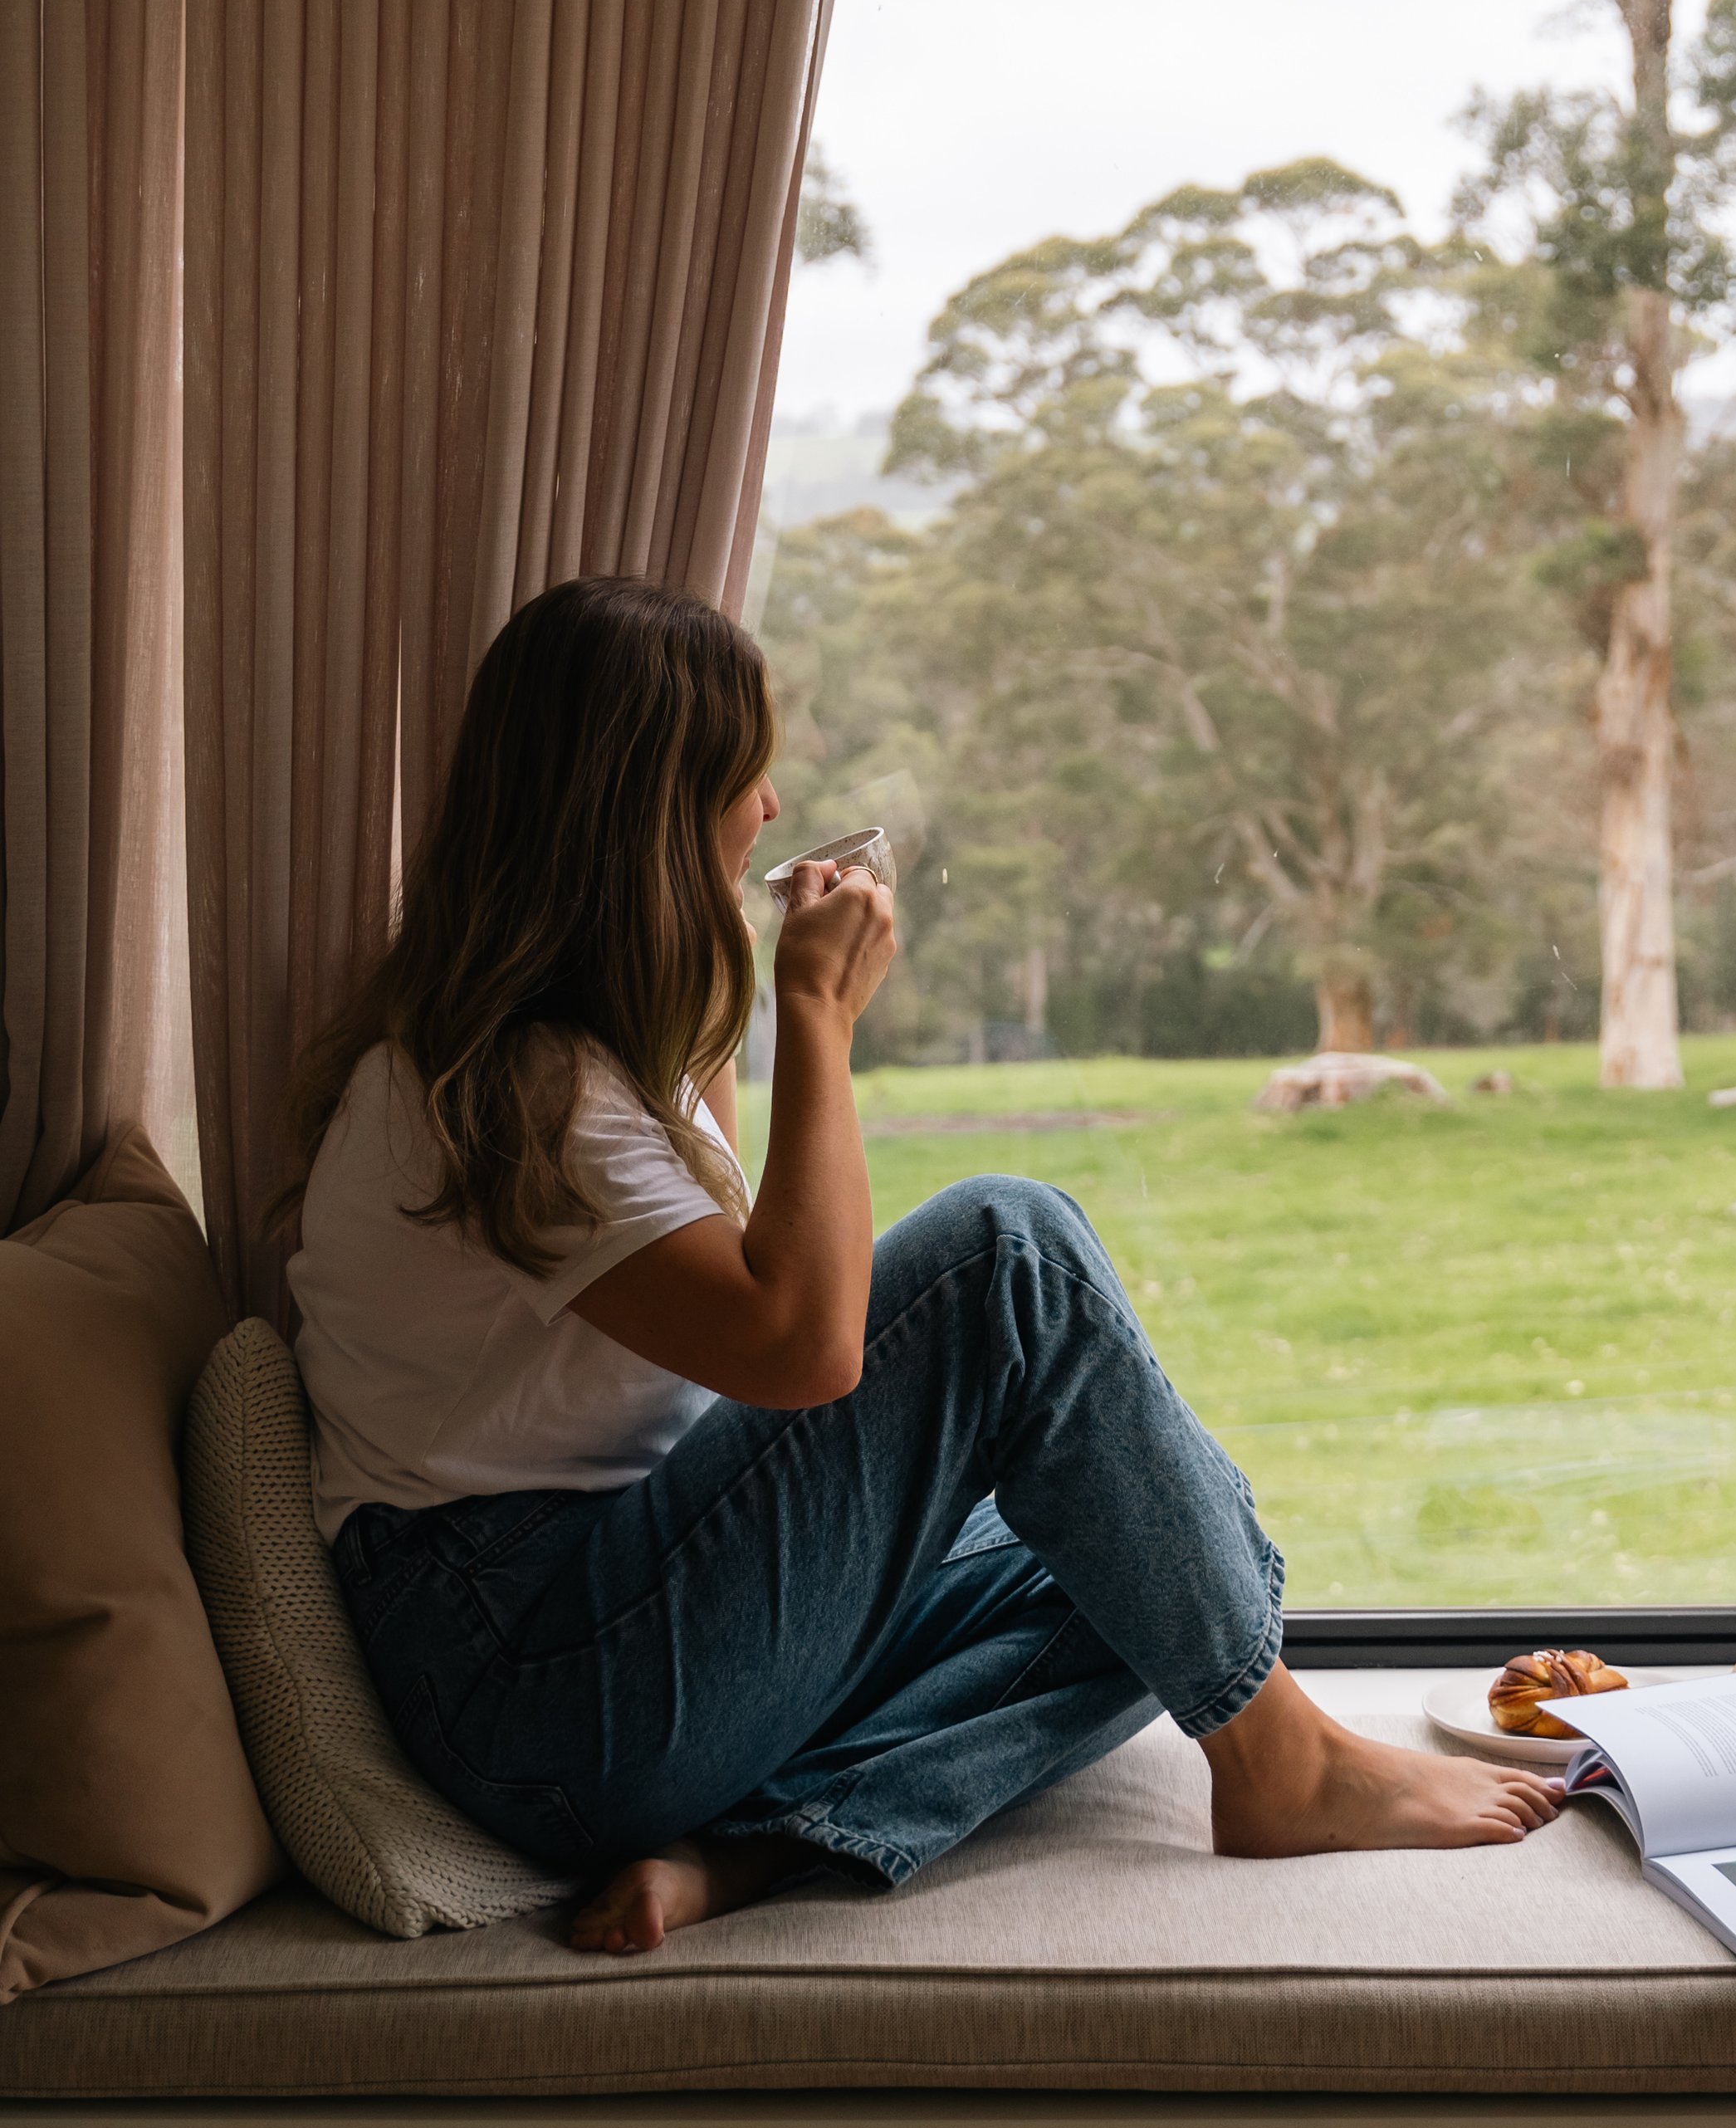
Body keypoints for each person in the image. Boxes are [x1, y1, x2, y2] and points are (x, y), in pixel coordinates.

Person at [286, 577, 1561, 1954]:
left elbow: (749, 1293)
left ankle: (753, 1849)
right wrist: (817, 1017)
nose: (770, 806)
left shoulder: (577, 1063)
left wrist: (716, 1004)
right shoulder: (509, 1091)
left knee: (1171, 1551)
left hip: (608, 1627)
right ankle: (1283, 1765)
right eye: (741, 770)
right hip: (539, 1674)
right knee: (1007, 1253)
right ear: (648, 808)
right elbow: (805, 1346)